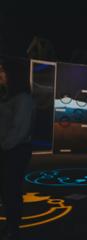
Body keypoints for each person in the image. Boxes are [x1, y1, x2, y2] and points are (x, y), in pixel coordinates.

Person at [0, 59, 34, 240]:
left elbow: (19, 129)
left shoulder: (23, 99)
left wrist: (4, 145)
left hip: (15, 151)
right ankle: (10, 224)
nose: (1, 75)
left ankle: (13, 226)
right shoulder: (8, 96)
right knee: (6, 189)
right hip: (7, 149)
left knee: (10, 189)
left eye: (3, 71)